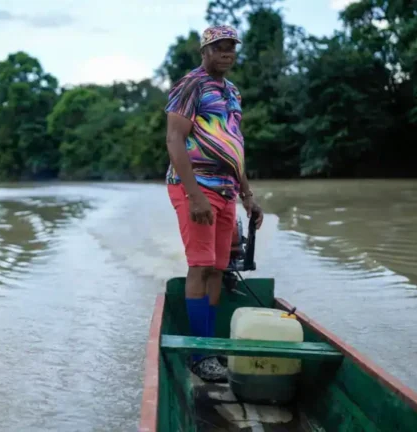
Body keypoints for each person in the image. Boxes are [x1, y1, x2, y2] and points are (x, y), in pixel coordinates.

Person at [164, 24, 264, 381]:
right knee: (201, 267)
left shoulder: (233, 91)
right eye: (218, 47)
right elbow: (175, 139)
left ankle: (210, 346)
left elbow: (233, 146)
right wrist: (193, 195)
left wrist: (247, 196)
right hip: (196, 186)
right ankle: (199, 353)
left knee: (219, 271)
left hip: (225, 189)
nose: (225, 53)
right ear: (204, 51)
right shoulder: (190, 85)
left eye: (230, 48)